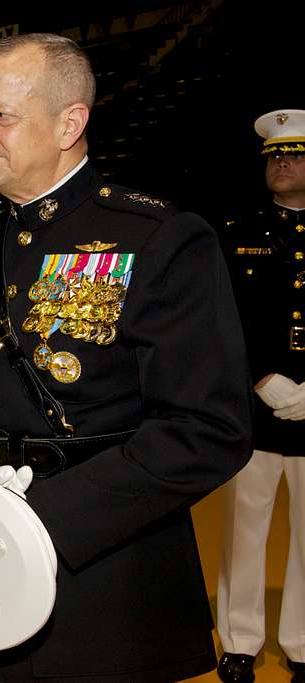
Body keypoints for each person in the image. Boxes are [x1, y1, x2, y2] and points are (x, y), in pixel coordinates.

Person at [0, 33, 253, 681]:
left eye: (1, 116)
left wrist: (41, 518)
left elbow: (208, 429)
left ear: (70, 122)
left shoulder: (158, 239)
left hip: (104, 588)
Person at [216, 109, 305, 683]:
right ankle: (240, 640)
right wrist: (260, 379)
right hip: (255, 410)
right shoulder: (238, 231)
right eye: (273, 155)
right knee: (244, 531)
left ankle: (302, 642)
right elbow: (220, 318)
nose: (281, 163)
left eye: (294, 154)